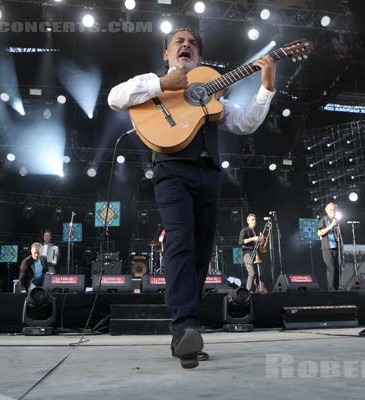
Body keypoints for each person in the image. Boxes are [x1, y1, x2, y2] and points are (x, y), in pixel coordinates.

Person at [108, 26, 275, 368]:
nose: (186, 45)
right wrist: (161, 84)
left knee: (201, 249)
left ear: (199, 56)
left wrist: (267, 85)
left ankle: (185, 332)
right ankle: (185, 325)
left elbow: (245, 124)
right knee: (180, 241)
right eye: (178, 42)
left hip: (208, 174)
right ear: (166, 54)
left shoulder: (211, 93)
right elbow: (115, 98)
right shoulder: (153, 81)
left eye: (193, 43)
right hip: (171, 170)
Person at [317, 202, 341, 291]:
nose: (332, 211)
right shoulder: (323, 220)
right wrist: (330, 226)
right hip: (327, 248)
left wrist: (342, 249)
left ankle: (337, 288)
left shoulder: (337, 221)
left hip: (337, 248)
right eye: (330, 209)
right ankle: (331, 289)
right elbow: (319, 233)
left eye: (334, 209)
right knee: (331, 269)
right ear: (326, 211)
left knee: (338, 269)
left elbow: (340, 236)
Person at [238, 213, 263, 291]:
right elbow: (241, 241)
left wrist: (261, 241)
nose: (254, 221)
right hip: (247, 253)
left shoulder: (255, 232)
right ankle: (247, 292)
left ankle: (253, 290)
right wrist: (253, 238)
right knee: (252, 273)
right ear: (248, 221)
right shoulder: (245, 230)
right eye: (252, 220)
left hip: (255, 254)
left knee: (257, 275)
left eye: (255, 220)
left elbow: (259, 246)